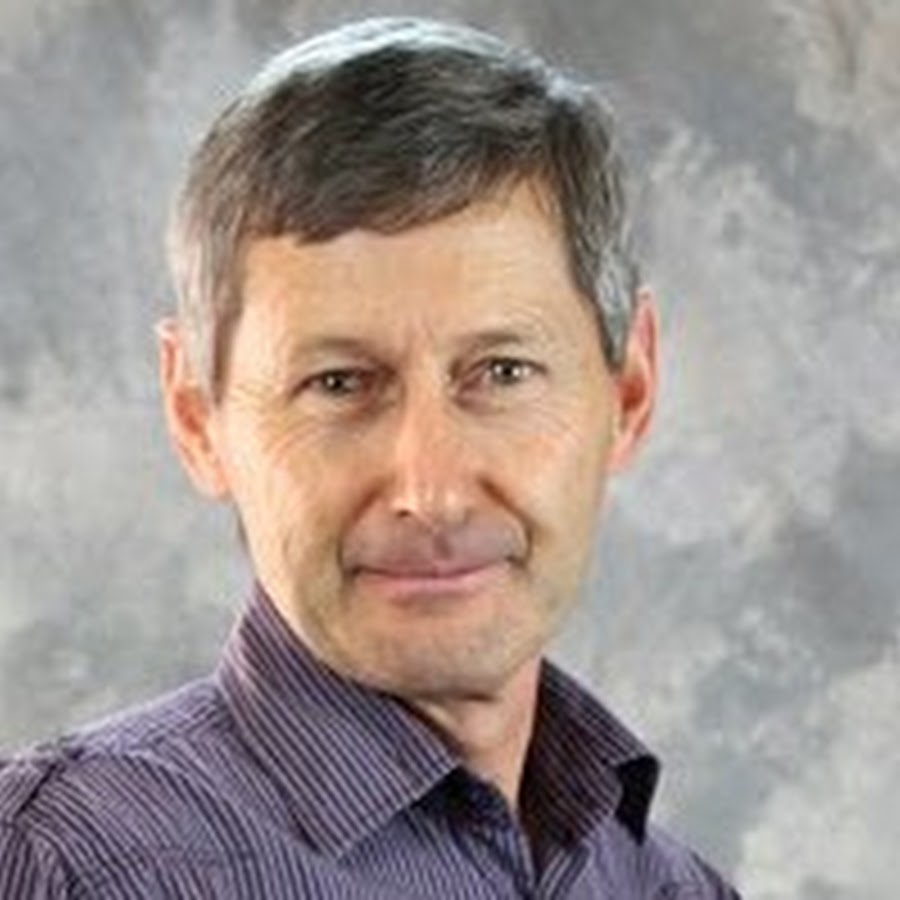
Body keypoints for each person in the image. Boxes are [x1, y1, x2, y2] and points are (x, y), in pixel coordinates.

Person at [0, 17, 741, 898]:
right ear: (196, 416)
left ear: (630, 390)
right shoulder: (74, 865)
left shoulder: (673, 887)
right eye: (340, 384)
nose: (431, 491)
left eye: (502, 372)